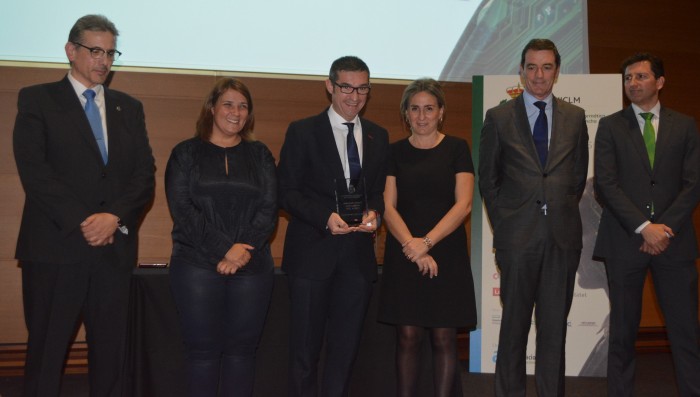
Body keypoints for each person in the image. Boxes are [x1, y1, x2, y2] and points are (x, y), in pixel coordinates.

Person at [12, 14, 155, 397]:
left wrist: (113, 217)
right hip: (55, 250)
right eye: (95, 51)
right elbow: (35, 172)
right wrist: (84, 221)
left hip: (113, 252)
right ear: (71, 51)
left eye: (110, 52)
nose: (103, 61)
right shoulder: (37, 99)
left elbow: (144, 175)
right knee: (47, 355)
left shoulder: (129, 107)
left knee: (110, 356)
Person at [478, 38, 589, 397]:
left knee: (554, 329)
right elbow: (488, 180)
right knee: (513, 328)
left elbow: (576, 176)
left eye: (546, 67)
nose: (538, 75)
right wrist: (507, 224)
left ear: (557, 71)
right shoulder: (498, 117)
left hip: (561, 238)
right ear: (521, 71)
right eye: (531, 67)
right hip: (517, 240)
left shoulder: (575, 117)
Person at [277, 55, 389, 397]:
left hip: (356, 261)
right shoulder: (302, 131)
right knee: (304, 354)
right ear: (330, 86)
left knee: (344, 353)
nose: (354, 96)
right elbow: (286, 192)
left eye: (362, 89)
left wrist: (375, 214)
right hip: (312, 257)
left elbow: (380, 193)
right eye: (346, 87)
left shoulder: (377, 136)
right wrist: (324, 217)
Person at [593, 53, 700, 397]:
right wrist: (643, 226)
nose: (633, 83)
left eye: (640, 76)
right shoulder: (610, 125)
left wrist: (663, 227)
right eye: (628, 78)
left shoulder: (685, 125)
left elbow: (694, 183)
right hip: (625, 241)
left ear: (660, 82)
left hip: (675, 241)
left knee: (685, 330)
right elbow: (605, 186)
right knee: (623, 331)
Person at [165, 78, 277, 397]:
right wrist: (225, 249)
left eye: (243, 106)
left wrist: (241, 252)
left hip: (252, 268)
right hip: (196, 266)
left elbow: (269, 208)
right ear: (212, 108)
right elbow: (183, 210)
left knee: (242, 353)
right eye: (228, 104)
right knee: (202, 353)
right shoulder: (185, 153)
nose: (236, 112)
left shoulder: (260, 154)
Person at [377, 78, 476, 397]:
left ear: (441, 112)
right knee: (407, 336)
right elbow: (387, 207)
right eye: (415, 109)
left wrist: (427, 243)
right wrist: (413, 247)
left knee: (444, 338)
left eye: (429, 109)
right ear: (406, 114)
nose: (422, 116)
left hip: (446, 252)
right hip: (404, 252)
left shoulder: (457, 148)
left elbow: (464, 205)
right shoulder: (393, 152)